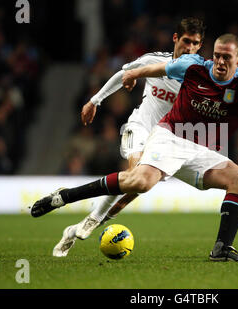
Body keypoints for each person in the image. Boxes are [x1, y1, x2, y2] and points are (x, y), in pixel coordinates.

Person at [31, 33, 238, 262]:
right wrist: (133, 74)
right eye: (218, 55)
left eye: (227, 57)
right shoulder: (194, 67)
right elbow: (158, 69)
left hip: (202, 148)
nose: (220, 61)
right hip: (170, 137)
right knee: (139, 183)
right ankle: (63, 197)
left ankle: (221, 249)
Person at [45, 17, 206, 257]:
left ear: (200, 45)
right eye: (186, 41)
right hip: (139, 128)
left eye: (195, 44)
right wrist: (94, 100)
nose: (190, 48)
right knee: (134, 174)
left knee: (135, 189)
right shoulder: (155, 60)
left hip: (167, 144)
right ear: (175, 38)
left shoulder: (201, 75)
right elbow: (123, 74)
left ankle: (81, 225)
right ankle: (93, 218)